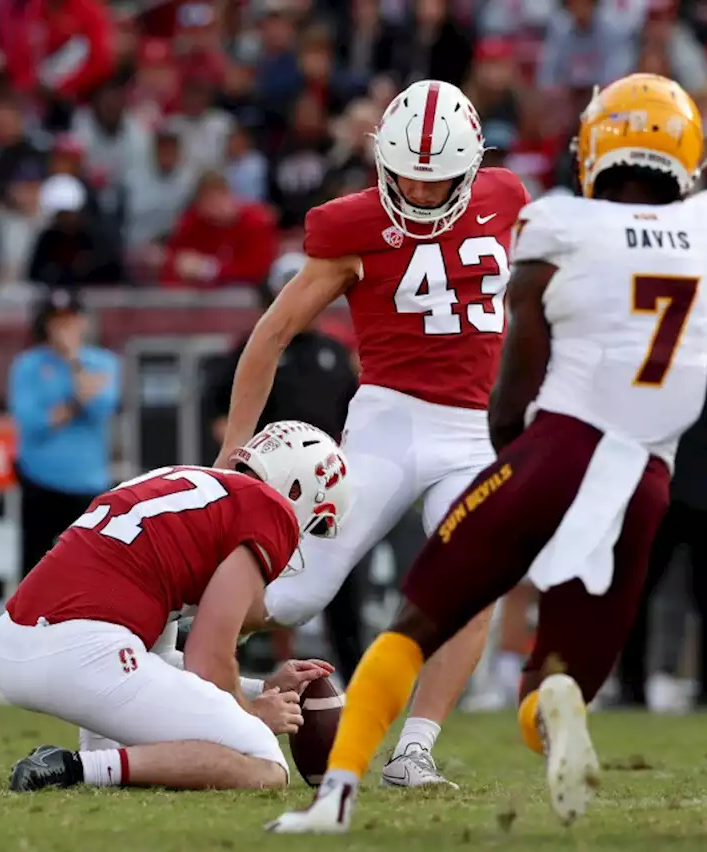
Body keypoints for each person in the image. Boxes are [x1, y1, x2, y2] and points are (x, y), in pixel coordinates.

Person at [266, 72, 707, 834]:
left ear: (593, 148)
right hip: (645, 479)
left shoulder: (559, 223)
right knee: (557, 674)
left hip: (560, 444)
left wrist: (511, 461)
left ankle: (335, 800)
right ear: (688, 158)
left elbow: (515, 378)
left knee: (420, 618)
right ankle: (548, 709)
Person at [213, 79, 532, 789]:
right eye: (407, 178)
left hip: (473, 429)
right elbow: (272, 335)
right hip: (389, 419)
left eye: (437, 180)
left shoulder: (506, 197)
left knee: (474, 579)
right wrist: (235, 449)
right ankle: (168, 655)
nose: (419, 194)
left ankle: (414, 749)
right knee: (298, 596)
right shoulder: (349, 226)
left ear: (472, 167)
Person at [0, 421, 350, 792]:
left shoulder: (185, 486)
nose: (302, 535)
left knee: (157, 730)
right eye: (315, 522)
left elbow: (158, 662)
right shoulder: (269, 509)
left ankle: (94, 763)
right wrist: (253, 714)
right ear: (298, 489)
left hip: (15, 640)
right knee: (265, 764)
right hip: (82, 647)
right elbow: (207, 657)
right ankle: (71, 768)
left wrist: (261, 688)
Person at [205, 252, 363, 682]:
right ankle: (231, 664)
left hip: (327, 482)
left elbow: (354, 412)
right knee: (257, 573)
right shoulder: (257, 345)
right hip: (273, 483)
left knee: (343, 581)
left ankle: (350, 675)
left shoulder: (334, 350)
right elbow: (220, 412)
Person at [617, 340, 707, 711]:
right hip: (660, 490)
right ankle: (632, 687)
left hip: (701, 493)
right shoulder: (651, 353)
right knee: (637, 593)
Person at [9, 289, 120, 577]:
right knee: (34, 568)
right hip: (39, 479)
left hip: (88, 482)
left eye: (70, 320)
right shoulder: (27, 365)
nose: (63, 329)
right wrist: (76, 402)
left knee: (90, 568)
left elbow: (102, 408)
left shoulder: (104, 362)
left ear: (83, 322)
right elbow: (31, 421)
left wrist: (74, 362)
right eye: (57, 321)